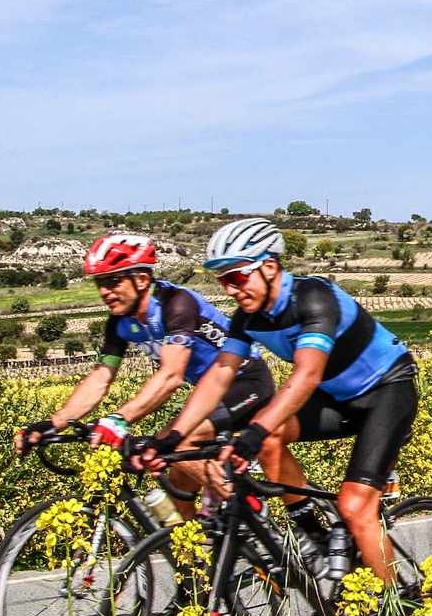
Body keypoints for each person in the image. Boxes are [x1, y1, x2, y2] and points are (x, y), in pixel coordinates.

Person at [131, 218, 416, 582]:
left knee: (355, 506)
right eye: (221, 280)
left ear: (268, 266)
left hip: (388, 390)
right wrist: (173, 436)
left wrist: (252, 432)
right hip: (339, 398)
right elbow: (220, 375)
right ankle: (313, 534)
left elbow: (306, 375)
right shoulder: (248, 317)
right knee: (268, 439)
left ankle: (397, 615)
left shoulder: (314, 298)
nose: (230, 289)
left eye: (235, 277)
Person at [14, 233, 281, 511]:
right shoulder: (119, 323)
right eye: (100, 283)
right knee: (179, 482)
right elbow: (101, 377)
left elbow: (171, 375)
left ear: (142, 279)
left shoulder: (176, 304)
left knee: (177, 442)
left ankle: (251, 512)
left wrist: (119, 419)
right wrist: (53, 423)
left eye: (113, 281)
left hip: (247, 383)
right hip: (207, 397)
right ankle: (198, 551)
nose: (105, 291)